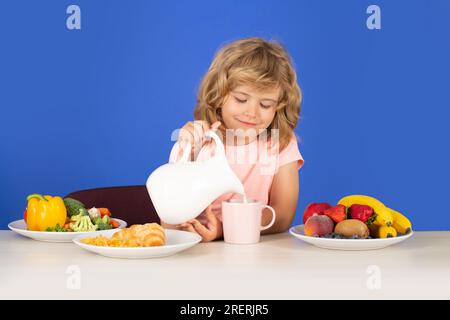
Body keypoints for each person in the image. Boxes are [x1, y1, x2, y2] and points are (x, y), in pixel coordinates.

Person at [162, 37, 304, 242]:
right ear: (219, 93)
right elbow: (169, 222)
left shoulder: (280, 143)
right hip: (195, 253)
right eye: (241, 99)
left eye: (265, 104)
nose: (252, 112)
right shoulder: (199, 141)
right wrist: (187, 155)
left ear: (279, 106)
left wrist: (224, 229)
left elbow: (282, 216)